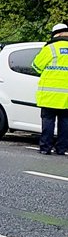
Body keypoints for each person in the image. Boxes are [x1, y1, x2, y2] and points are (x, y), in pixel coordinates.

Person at [32, 21, 68, 155]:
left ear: (56, 34)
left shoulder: (50, 48)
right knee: (65, 123)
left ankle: (45, 148)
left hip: (49, 94)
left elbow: (36, 66)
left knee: (48, 121)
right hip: (66, 97)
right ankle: (62, 149)